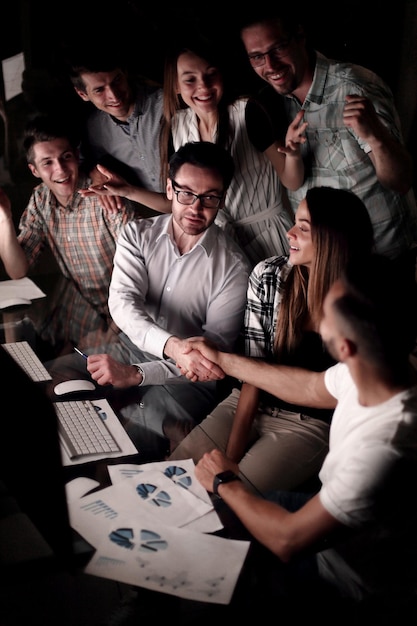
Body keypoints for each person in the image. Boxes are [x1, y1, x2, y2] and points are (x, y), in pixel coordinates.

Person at [186, 253, 417, 618]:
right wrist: (223, 359)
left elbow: (287, 539)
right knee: (208, 519)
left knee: (217, 580)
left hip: (347, 569)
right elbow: (309, 387)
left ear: (345, 347)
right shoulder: (382, 365)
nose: (320, 323)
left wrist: (225, 481)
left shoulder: (383, 449)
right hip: (333, 517)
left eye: (327, 317)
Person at [169, 187, 375, 496]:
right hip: (247, 402)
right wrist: (232, 456)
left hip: (309, 423)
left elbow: (333, 392)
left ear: (333, 240)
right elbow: (254, 371)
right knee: (173, 476)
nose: (289, 233)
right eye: (294, 222)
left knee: (230, 503)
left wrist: (228, 481)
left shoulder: (364, 297)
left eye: (303, 228)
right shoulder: (269, 276)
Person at [56, 141, 250, 448]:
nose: (195, 208)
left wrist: (136, 374)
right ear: (169, 189)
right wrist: (170, 347)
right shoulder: (137, 235)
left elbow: (209, 361)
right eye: (186, 193)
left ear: (222, 200)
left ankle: (154, 423)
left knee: (126, 445)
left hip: (186, 378)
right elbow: (123, 304)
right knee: (54, 375)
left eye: (209, 197)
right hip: (132, 347)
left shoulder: (234, 268)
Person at [82, 36, 307, 267]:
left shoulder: (247, 111)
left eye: (211, 75)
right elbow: (176, 203)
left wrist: (293, 155)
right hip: (217, 247)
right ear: (177, 86)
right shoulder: (176, 126)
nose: (203, 86)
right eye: (190, 80)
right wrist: (128, 191)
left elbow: (292, 181)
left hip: (269, 237)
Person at [235, 8, 417, 277]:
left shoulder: (354, 87)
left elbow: (401, 182)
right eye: (257, 57)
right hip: (325, 265)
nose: (270, 66)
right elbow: (291, 180)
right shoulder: (268, 106)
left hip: (381, 263)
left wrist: (376, 136)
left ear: (299, 36)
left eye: (278, 48)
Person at [0, 114, 137, 314]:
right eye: (47, 162)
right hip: (79, 315)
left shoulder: (104, 194)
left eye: (66, 157)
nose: (61, 169)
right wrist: (5, 218)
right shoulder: (40, 198)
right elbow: (17, 270)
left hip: (121, 314)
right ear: (34, 170)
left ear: (76, 156)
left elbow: (138, 269)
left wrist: (113, 326)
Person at [66, 43, 165, 214]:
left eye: (116, 81)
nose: (113, 95)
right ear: (83, 94)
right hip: (148, 215)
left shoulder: (164, 106)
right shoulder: (94, 129)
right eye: (99, 90)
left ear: (125, 73)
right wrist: (96, 174)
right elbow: (84, 161)